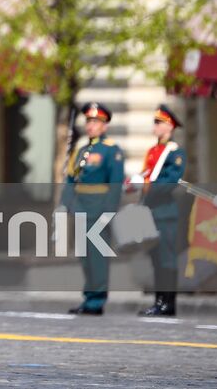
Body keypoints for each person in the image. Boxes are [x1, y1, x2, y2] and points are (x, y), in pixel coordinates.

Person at [63, 102, 125, 316]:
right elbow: (71, 179)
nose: (91, 126)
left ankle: (97, 300)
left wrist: (109, 211)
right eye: (89, 121)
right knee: (84, 256)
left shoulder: (111, 151)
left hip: (99, 208)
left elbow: (115, 184)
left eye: (96, 122)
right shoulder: (81, 151)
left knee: (97, 256)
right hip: (81, 207)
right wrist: (65, 205)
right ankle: (89, 297)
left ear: (104, 126)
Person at [138, 105, 186, 317]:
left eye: (159, 123)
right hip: (151, 211)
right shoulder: (153, 151)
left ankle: (168, 303)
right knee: (156, 258)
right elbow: (146, 175)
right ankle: (159, 301)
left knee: (167, 259)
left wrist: (148, 186)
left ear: (169, 126)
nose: (155, 126)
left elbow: (170, 181)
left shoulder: (174, 152)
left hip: (165, 211)